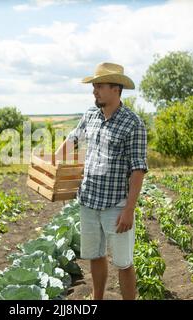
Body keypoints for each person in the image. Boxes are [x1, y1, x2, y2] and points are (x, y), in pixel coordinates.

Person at [54, 62, 148, 300]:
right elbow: (73, 139)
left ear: (116, 89)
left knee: (123, 262)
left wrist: (129, 210)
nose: (94, 91)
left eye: (99, 86)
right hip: (88, 201)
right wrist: (53, 161)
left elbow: (138, 170)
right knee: (95, 255)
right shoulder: (90, 115)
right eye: (94, 86)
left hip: (116, 205)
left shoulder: (133, 123)